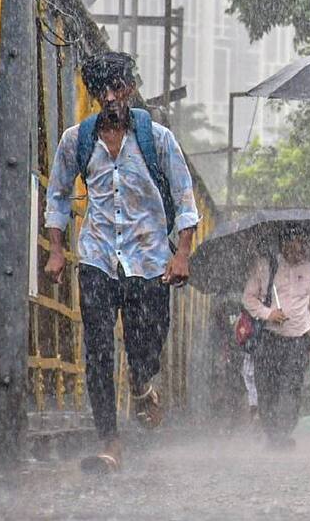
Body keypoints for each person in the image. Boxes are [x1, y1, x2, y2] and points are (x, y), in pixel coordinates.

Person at [44, 51, 200, 474]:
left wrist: (182, 253)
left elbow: (186, 199)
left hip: (150, 261)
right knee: (96, 351)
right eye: (101, 91)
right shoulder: (77, 140)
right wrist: (58, 249)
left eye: (117, 88)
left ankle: (142, 380)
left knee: (145, 346)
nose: (110, 97)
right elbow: (57, 194)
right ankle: (109, 443)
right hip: (97, 256)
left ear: (129, 89)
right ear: (94, 94)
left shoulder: (159, 140)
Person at [241, 227, 310, 449]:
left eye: (303, 244)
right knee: (267, 388)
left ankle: (283, 433)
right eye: (294, 244)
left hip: (298, 339)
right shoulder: (266, 266)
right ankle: (273, 434)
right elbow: (248, 298)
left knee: (292, 387)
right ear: (284, 244)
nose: (299, 250)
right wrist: (269, 313)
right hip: (269, 338)